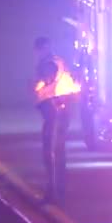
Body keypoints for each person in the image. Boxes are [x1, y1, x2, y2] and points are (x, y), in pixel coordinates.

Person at [33, 36, 80, 204]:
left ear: (40, 49)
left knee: (50, 150)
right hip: (61, 107)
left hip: (55, 107)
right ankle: (59, 189)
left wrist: (37, 85)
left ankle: (53, 191)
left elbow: (47, 78)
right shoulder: (57, 60)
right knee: (58, 150)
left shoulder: (49, 63)